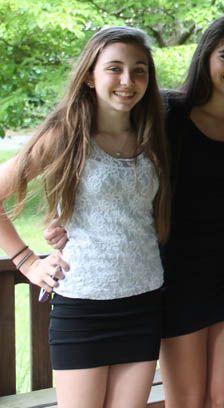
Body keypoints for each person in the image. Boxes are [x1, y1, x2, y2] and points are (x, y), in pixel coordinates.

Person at [0, 27, 170, 407]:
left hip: (143, 303)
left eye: (139, 70)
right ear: (90, 76)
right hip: (83, 309)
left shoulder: (153, 135)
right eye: (114, 68)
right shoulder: (66, 135)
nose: (127, 80)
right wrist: (28, 262)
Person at [157, 16, 224, 407]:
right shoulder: (169, 112)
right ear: (206, 56)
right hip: (179, 275)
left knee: (222, 399)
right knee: (188, 401)